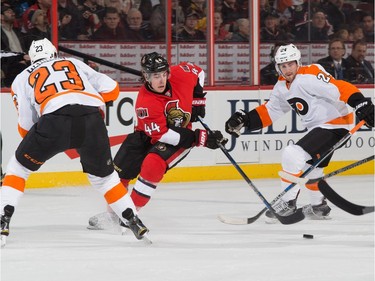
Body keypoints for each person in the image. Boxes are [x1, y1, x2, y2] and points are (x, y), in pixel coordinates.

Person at [0, 38, 148, 247]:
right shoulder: (74, 63)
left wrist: (42, 136)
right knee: (105, 179)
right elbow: (113, 89)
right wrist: (84, 99)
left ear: (31, 59)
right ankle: (133, 220)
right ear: (54, 54)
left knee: (18, 169)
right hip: (92, 120)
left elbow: (25, 125)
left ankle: (2, 220)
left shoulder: (21, 77)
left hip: (53, 121)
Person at [225, 43, 374, 223]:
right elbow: (271, 111)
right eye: (283, 66)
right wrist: (245, 120)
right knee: (314, 167)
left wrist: (360, 103)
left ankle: (288, 204)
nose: (288, 69)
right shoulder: (281, 86)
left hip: (336, 125)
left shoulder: (309, 76)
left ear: (298, 62)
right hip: (320, 128)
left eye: (291, 64)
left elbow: (339, 87)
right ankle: (319, 206)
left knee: (293, 153)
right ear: (277, 67)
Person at [88, 52, 227, 229]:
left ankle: (132, 215)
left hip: (179, 136)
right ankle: (113, 215)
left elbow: (199, 72)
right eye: (155, 76)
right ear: (146, 76)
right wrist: (201, 138)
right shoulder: (146, 102)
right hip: (152, 134)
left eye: (163, 74)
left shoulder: (181, 74)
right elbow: (162, 135)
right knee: (118, 174)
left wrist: (198, 100)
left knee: (152, 165)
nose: (161, 80)